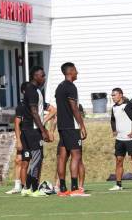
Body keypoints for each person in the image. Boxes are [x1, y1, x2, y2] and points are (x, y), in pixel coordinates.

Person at [20, 66, 55, 197]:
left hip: (31, 129)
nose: (44, 78)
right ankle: (31, 188)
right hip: (33, 130)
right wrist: (43, 130)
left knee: (36, 159)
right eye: (42, 75)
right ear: (35, 76)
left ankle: (29, 188)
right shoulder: (32, 91)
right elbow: (34, 112)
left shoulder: (36, 90)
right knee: (36, 159)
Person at [55, 62, 87, 196]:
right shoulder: (71, 87)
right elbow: (74, 108)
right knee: (76, 156)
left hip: (62, 127)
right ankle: (74, 188)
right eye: (76, 70)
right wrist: (82, 125)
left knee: (62, 157)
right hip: (71, 127)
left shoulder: (59, 87)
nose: (77, 72)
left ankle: (62, 188)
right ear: (70, 71)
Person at [6, 82, 29, 194]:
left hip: (33, 136)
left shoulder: (35, 103)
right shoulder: (21, 107)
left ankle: (29, 185)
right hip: (23, 136)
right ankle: (17, 186)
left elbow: (53, 110)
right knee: (18, 160)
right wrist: (18, 140)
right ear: (24, 92)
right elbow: (16, 124)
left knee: (28, 161)